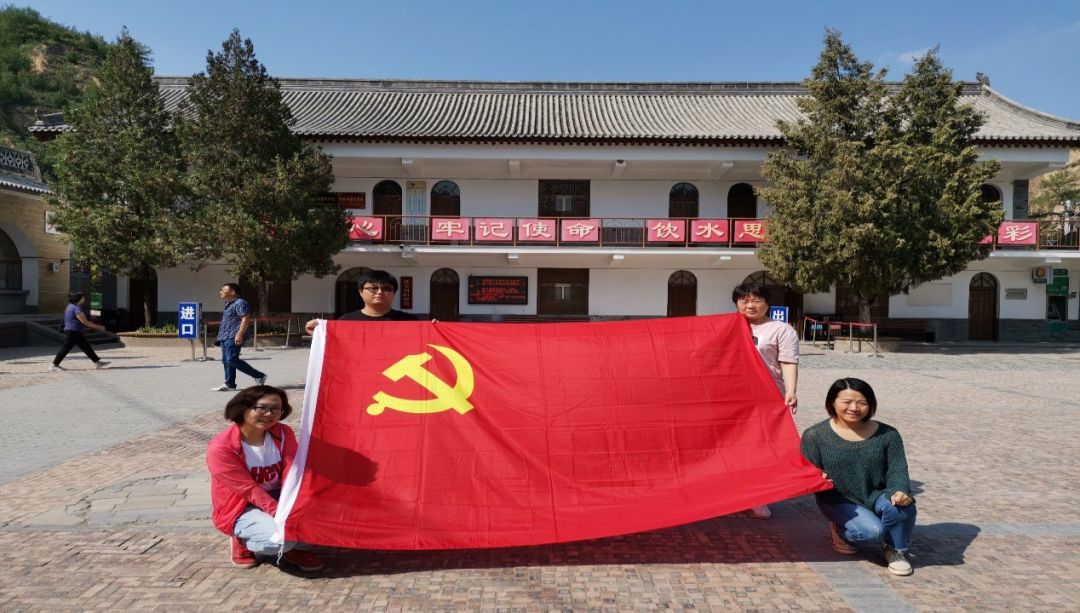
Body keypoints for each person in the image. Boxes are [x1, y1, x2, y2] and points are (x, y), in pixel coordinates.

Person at [800, 378, 917, 576]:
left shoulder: (888, 435)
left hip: (878, 494)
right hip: (837, 499)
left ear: (871, 405)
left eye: (862, 402)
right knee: (871, 531)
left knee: (901, 505)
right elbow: (807, 472)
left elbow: (897, 470)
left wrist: (900, 491)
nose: (854, 408)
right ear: (832, 403)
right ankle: (841, 529)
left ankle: (896, 550)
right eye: (846, 402)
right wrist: (817, 477)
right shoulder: (814, 435)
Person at [206, 385, 324, 571]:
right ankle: (242, 540)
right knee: (278, 541)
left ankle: (296, 549)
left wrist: (296, 507)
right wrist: (281, 514)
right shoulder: (221, 448)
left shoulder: (283, 433)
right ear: (243, 408)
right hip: (243, 505)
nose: (269, 414)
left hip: (279, 497)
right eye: (261, 408)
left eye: (276, 409)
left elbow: (291, 471)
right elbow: (249, 490)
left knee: (327, 517)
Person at [732, 282, 799, 519]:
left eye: (756, 300)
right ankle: (732, 492)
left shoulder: (780, 330)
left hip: (767, 397)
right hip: (733, 397)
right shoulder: (728, 326)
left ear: (767, 303)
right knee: (733, 447)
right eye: (744, 301)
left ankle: (758, 497)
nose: (750, 305)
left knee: (761, 447)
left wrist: (791, 390)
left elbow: (788, 362)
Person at [304, 269, 418, 334]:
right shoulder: (345, 321)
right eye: (373, 288)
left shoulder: (410, 322)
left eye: (386, 289)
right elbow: (334, 350)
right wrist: (318, 334)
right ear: (361, 292)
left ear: (394, 293)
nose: (379, 292)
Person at [212, 283, 266, 392]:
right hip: (225, 336)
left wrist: (239, 334)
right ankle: (230, 384)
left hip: (233, 335)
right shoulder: (229, 303)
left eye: (223, 290)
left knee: (232, 359)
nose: (220, 292)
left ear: (232, 292)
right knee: (226, 361)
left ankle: (259, 375)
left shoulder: (240, 303)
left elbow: (245, 319)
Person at [51, 292, 110, 371]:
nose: (84, 298)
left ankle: (97, 362)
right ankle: (54, 365)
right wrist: (99, 327)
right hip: (73, 331)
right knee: (66, 347)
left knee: (85, 346)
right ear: (79, 299)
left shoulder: (70, 306)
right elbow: (84, 322)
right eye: (83, 297)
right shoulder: (76, 308)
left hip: (73, 331)